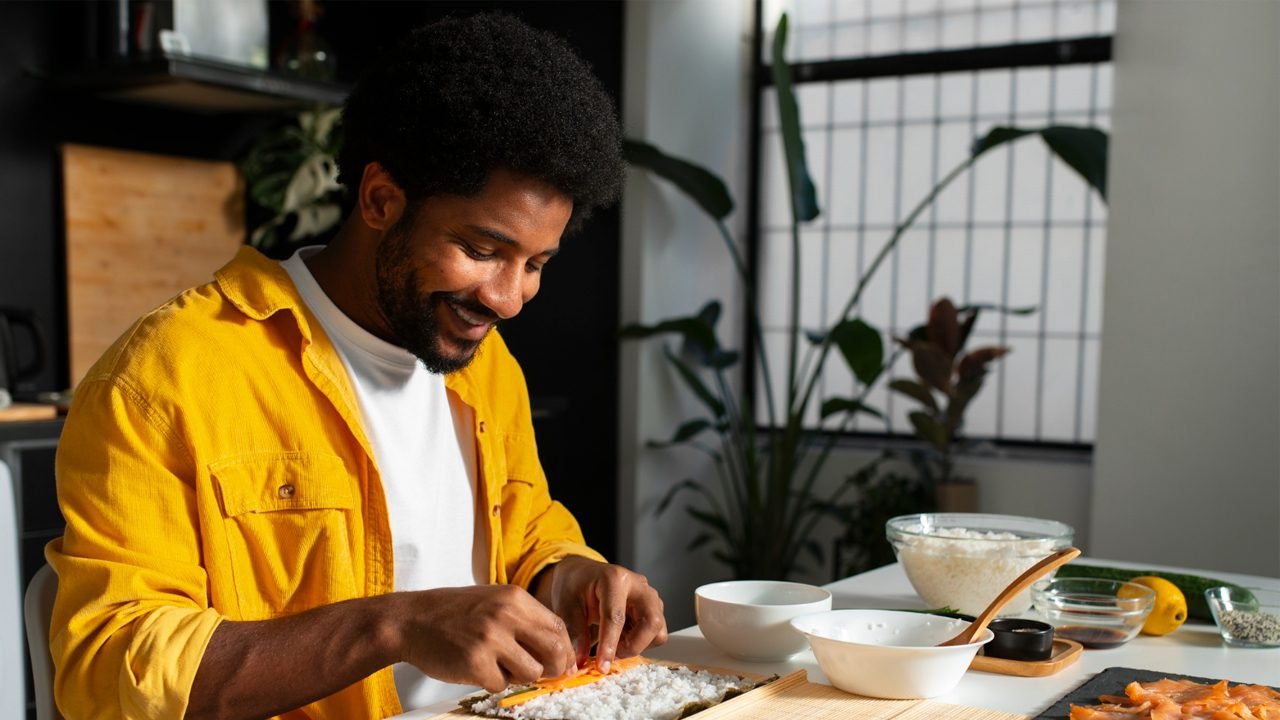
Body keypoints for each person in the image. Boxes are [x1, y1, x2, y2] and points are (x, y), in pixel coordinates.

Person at [47, 13, 666, 720]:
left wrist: (569, 574)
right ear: (380, 200)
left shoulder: (485, 364)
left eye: (535, 265)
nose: (508, 298)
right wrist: (393, 626)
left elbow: (523, 523)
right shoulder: (166, 375)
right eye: (482, 249)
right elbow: (106, 670)